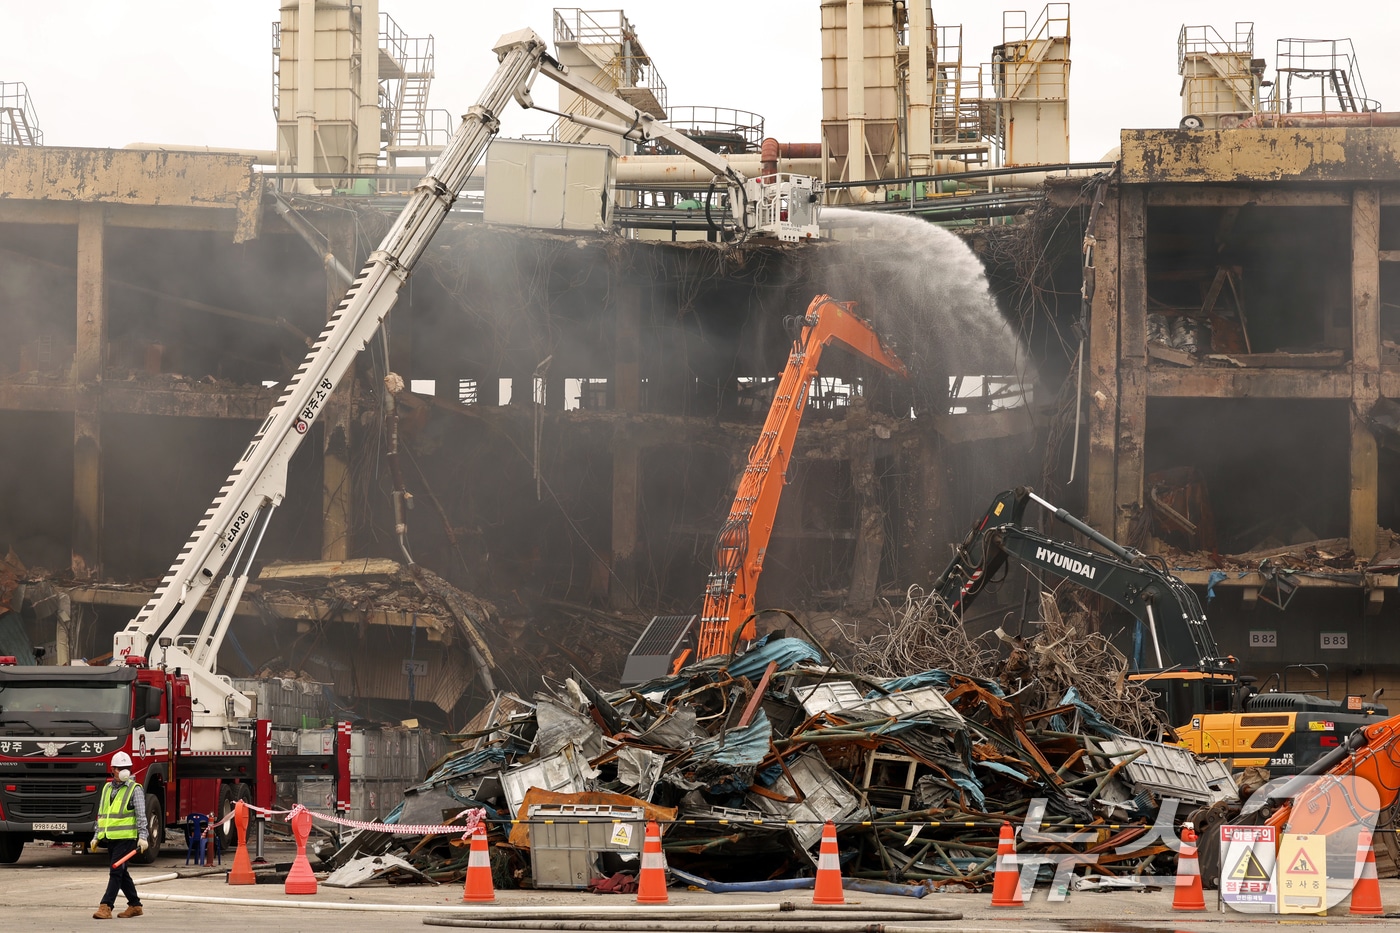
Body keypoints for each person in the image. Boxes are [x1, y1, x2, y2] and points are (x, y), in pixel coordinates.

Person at [91, 751, 148, 920]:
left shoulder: (134, 789)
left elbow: (141, 815)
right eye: (120, 768)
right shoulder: (107, 788)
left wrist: (143, 837)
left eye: (127, 768)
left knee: (115, 870)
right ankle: (135, 905)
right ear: (113, 770)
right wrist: (97, 836)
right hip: (110, 838)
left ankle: (106, 906)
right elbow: (102, 815)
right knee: (122, 873)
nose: (124, 771)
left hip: (127, 838)